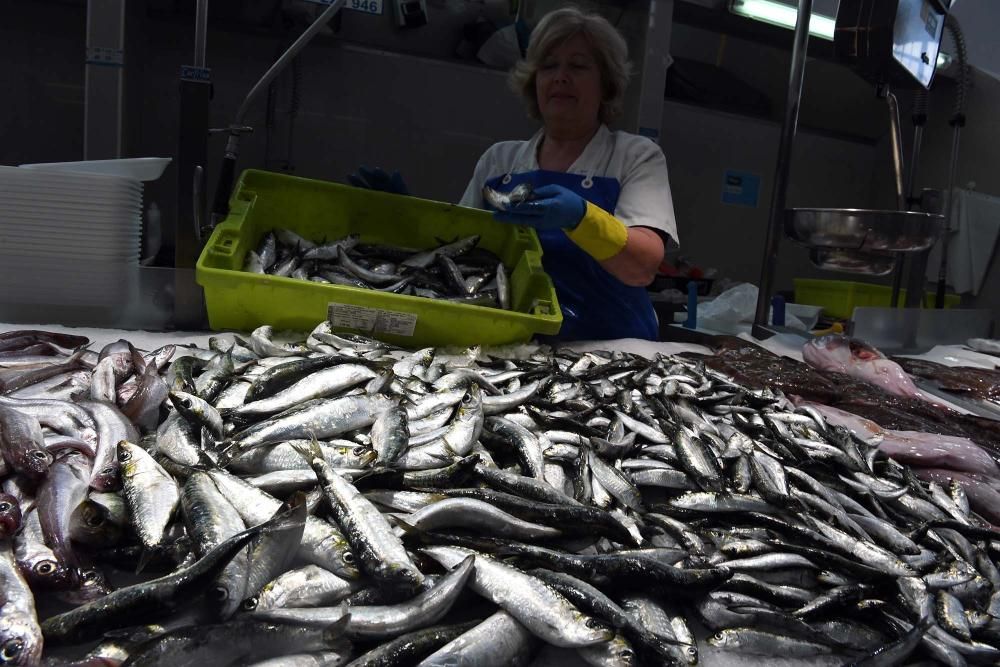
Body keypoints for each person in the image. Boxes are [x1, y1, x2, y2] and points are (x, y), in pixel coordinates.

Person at [353, 7, 677, 341]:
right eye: (549, 65)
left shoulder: (634, 156)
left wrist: (582, 219)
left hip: (615, 353)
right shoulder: (500, 161)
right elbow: (460, 254)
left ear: (606, 83)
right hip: (514, 348)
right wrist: (409, 219)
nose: (560, 76)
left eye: (578, 66)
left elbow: (643, 267)